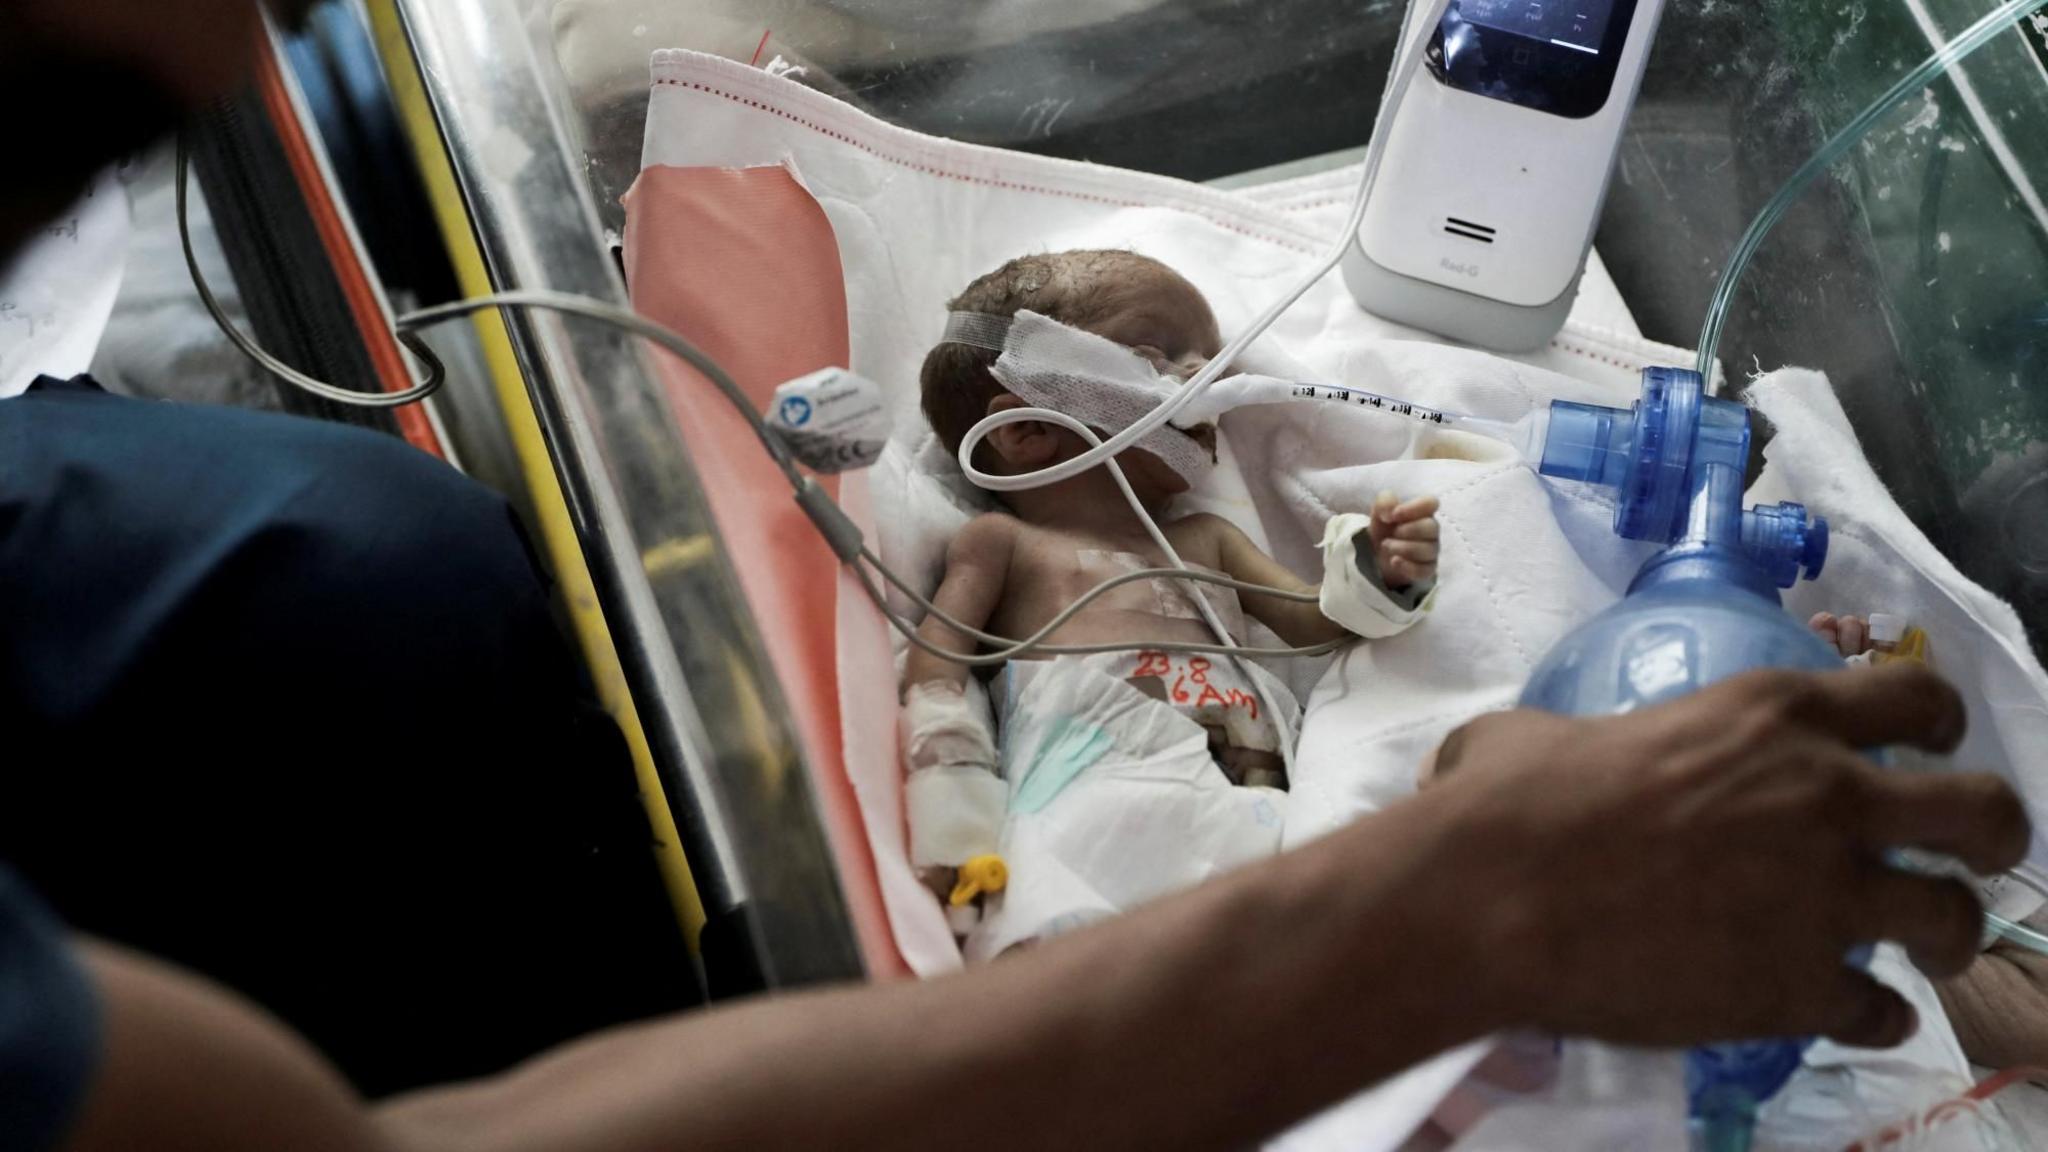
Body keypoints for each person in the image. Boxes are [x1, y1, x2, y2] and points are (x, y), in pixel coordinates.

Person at [0, 2, 2033, 1150]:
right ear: (1019, 420)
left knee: (374, 591)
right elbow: (929, 699)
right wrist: (1412, 912)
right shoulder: (981, 536)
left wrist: (1381, 578)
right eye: (1145, 368)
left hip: (1239, 767)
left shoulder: (1191, 526)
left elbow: (1336, 615)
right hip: (1120, 803)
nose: (1189, 396)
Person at [904, 250, 1439, 949]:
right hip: (1093, 785)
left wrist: (1379, 570)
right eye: (1158, 357)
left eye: (1212, 361)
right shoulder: (1003, 544)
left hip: (1249, 802)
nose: (1205, 379)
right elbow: (937, 667)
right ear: (1024, 430)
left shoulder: (1205, 541)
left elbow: (1318, 621)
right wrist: (953, 803)